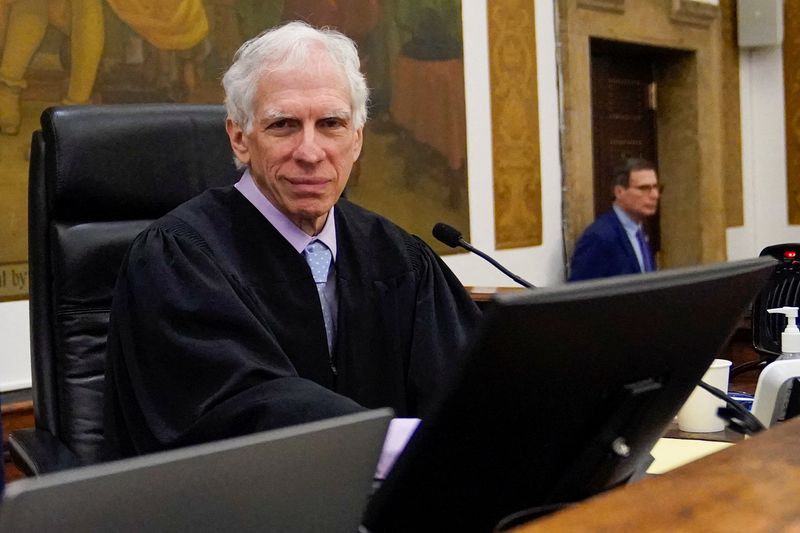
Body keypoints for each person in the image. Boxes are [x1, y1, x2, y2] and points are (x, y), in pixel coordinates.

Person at [102, 20, 480, 459]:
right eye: (283, 124)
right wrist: (391, 445)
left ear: (357, 140)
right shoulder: (176, 259)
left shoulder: (399, 258)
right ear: (239, 138)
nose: (310, 151)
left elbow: (468, 392)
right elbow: (239, 416)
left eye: (331, 123)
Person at [568, 158, 661, 281]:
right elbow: (581, 293)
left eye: (656, 187)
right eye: (644, 188)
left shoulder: (640, 231)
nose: (655, 195)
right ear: (619, 192)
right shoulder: (599, 237)